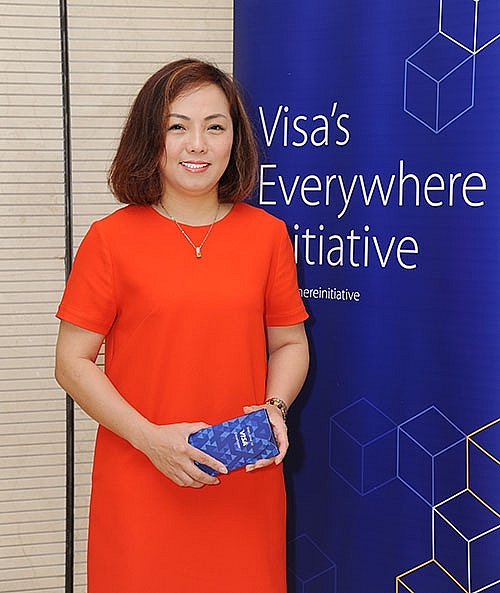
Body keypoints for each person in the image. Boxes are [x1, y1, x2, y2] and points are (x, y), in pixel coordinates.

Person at [54, 58, 309, 593]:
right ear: (152, 137)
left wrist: (275, 407)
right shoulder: (110, 239)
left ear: (235, 140)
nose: (198, 144)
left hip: (243, 477)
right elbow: (71, 364)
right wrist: (151, 440)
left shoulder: (267, 235)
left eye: (215, 127)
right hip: (142, 475)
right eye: (177, 126)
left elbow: (289, 343)